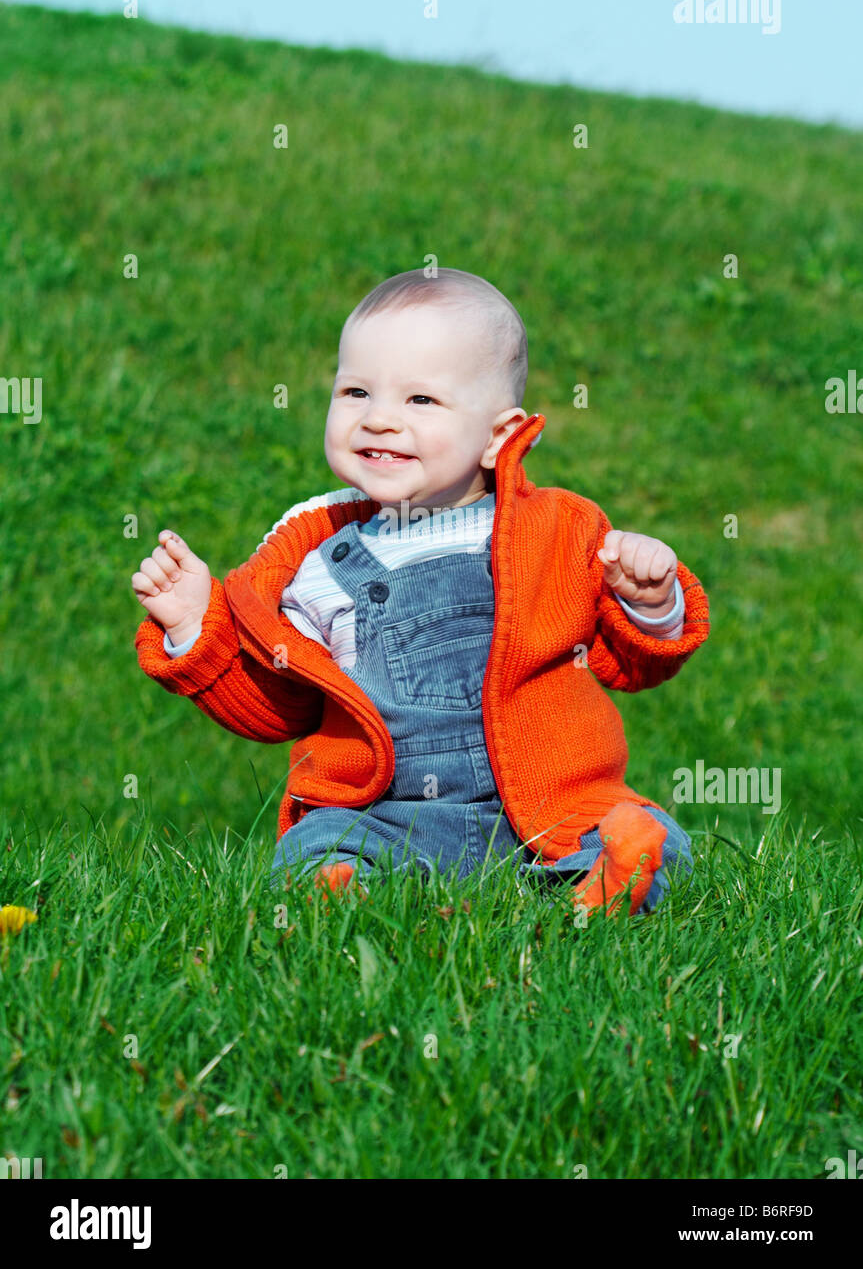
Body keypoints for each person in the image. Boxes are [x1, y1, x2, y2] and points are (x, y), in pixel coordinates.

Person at [132, 268, 710, 918]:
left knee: (641, 833)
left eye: (420, 401)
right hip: (382, 813)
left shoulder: (558, 532)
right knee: (320, 842)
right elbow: (278, 710)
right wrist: (192, 630)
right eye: (355, 391)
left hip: (550, 807)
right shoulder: (314, 560)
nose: (378, 419)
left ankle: (593, 890)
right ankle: (337, 899)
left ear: (498, 436)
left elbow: (630, 663)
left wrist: (650, 602)